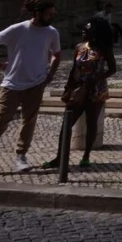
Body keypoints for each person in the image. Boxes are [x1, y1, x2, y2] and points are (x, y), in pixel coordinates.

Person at [0, 0, 62, 179]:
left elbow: (57, 54)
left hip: (36, 83)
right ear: (38, 14)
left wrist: (50, 74)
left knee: (28, 121)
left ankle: (21, 156)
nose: (52, 17)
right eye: (49, 14)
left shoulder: (52, 32)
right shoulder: (19, 29)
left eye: (53, 14)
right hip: (12, 84)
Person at [42, 17, 116, 169]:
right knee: (67, 123)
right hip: (78, 88)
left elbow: (112, 69)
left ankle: (86, 156)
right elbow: (74, 68)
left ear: (96, 32)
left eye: (87, 29)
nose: (83, 31)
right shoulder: (79, 47)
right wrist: (68, 88)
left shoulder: (104, 49)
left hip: (95, 90)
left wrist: (97, 79)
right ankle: (60, 157)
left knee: (91, 122)